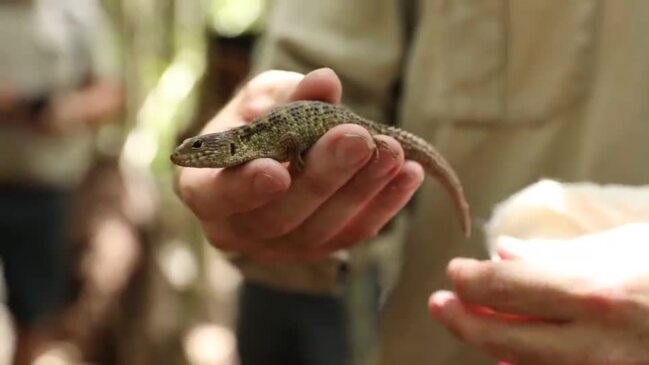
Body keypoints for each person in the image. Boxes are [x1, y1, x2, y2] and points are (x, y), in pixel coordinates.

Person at [175, 1, 649, 364]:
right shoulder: (244, 146)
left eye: (196, 150)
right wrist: (270, 218)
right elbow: (311, 81)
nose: (188, 157)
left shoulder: (250, 146)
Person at [0, 0, 122, 363]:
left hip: (45, 188)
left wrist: (61, 111)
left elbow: (112, 93)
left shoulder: (76, 13)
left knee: (36, 313)